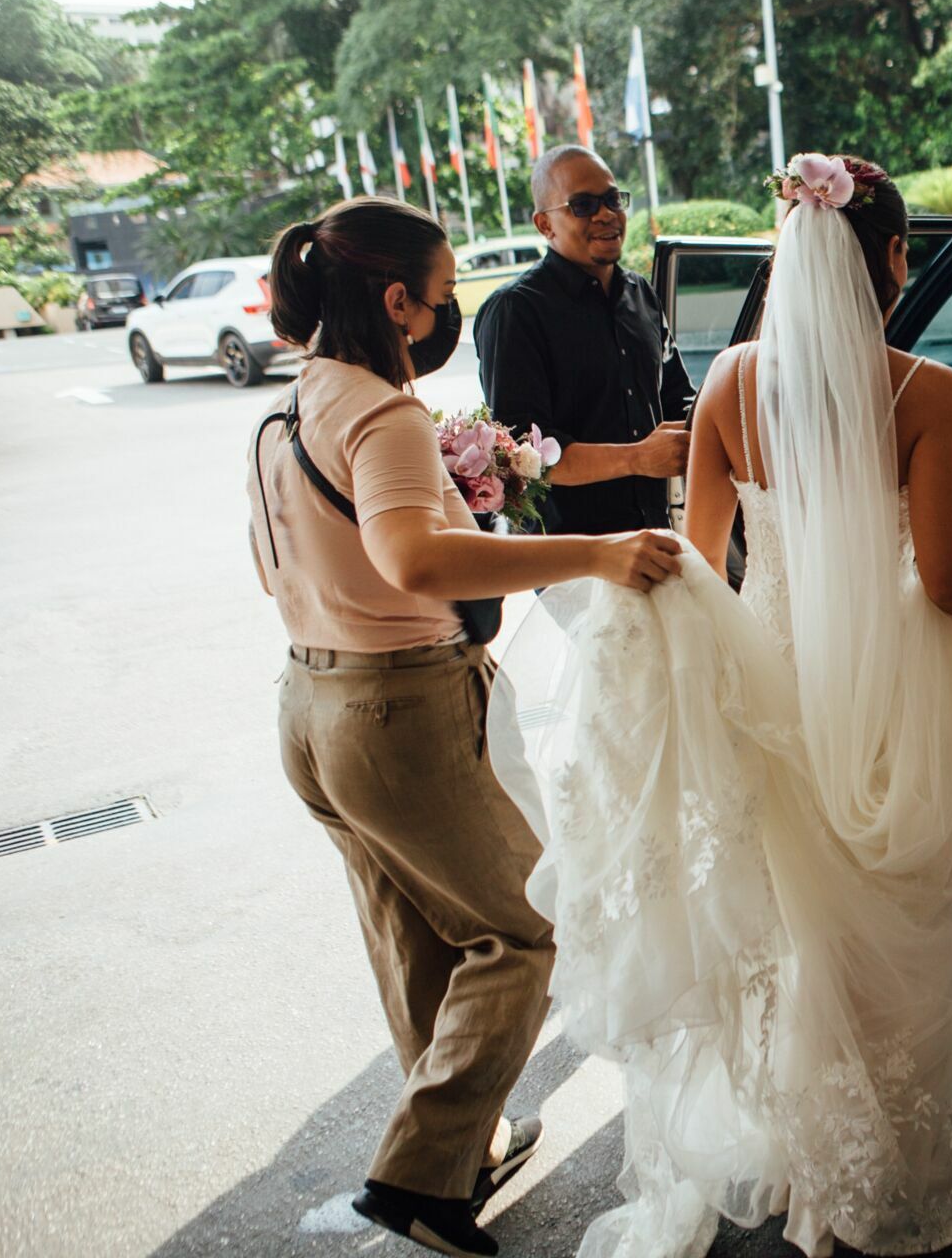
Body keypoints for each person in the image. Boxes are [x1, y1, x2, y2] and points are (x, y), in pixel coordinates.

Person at [488, 154, 952, 1258]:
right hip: (887, 697)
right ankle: (906, 1152)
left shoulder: (730, 381)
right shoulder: (926, 392)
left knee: (796, 927)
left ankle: (819, 1155)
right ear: (892, 260)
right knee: (909, 907)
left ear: (790, 257)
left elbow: (701, 554)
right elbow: (948, 579)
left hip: (769, 691)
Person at [244, 195, 684, 1258]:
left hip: (311, 703)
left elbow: (275, 563)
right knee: (528, 923)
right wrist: (596, 550)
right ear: (396, 302)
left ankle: (463, 1145)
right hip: (399, 706)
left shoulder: (288, 403)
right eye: (441, 298)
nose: (447, 315)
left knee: (416, 932)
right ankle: (417, 1185)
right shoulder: (383, 416)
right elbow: (417, 561)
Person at [474, 145, 693, 536]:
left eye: (612, 199)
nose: (606, 214)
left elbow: (678, 399)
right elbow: (524, 456)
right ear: (545, 225)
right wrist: (638, 458)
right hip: (570, 556)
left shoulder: (639, 293)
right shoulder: (514, 311)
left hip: (655, 532)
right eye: (583, 205)